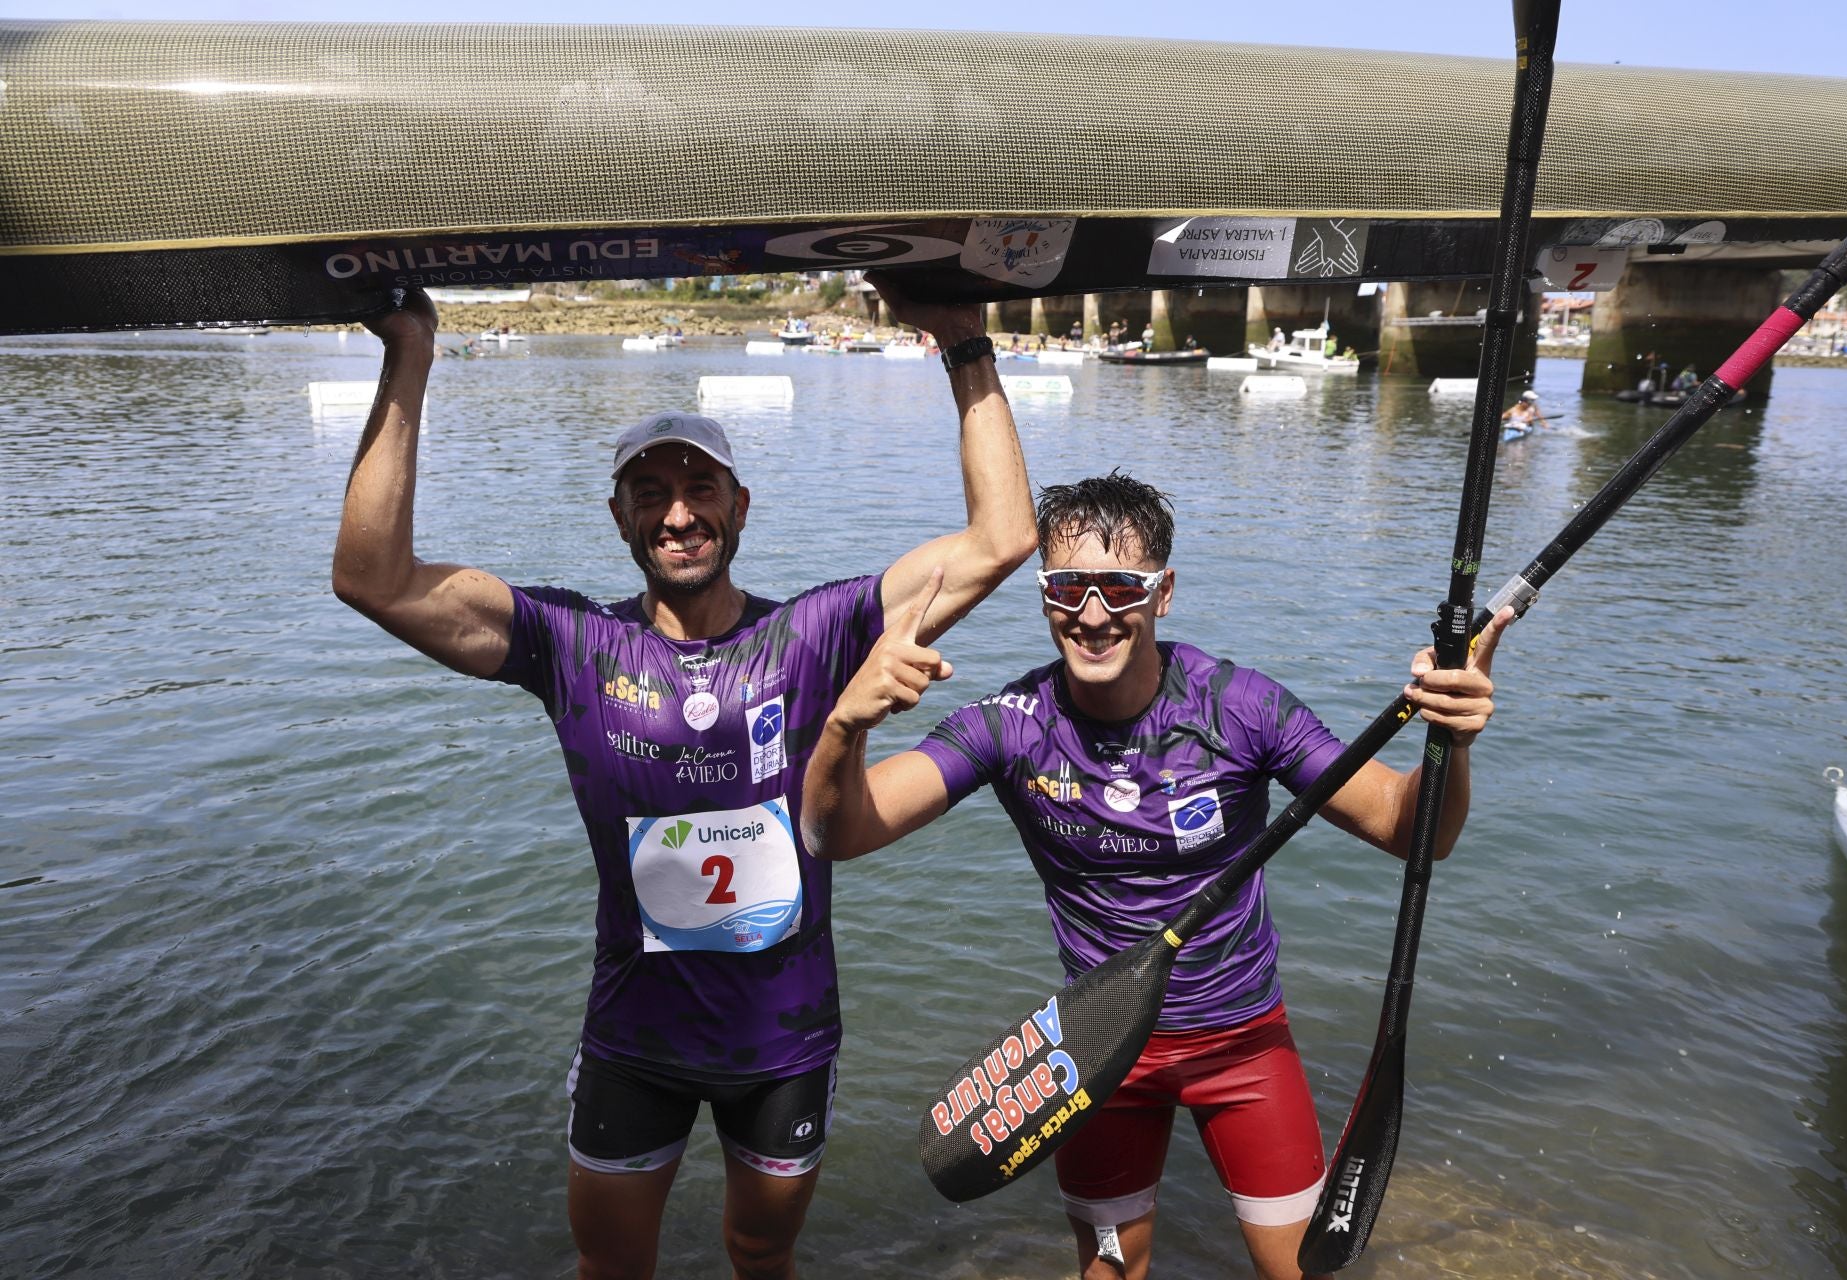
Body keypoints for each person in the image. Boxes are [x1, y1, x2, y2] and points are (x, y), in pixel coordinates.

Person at [332, 279, 1037, 1280]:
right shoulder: (572, 643)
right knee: (612, 1266)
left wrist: (963, 338)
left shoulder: (817, 632)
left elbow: (1002, 537)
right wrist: (410, 349)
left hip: (784, 1043)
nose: (677, 513)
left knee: (761, 1252)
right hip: (635, 1038)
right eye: (650, 492)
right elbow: (371, 577)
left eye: (700, 487)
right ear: (618, 516)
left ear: (738, 506)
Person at [801, 473, 1511, 1280]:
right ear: (1043, 596)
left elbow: (1411, 831)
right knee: (1109, 1273)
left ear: (1163, 592)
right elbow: (838, 833)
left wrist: (1449, 741)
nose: (1091, 614)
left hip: (1242, 1044)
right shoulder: (1010, 726)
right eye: (1067, 587)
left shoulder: (1240, 708)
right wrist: (845, 723)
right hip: (1097, 1052)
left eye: (1119, 587)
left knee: (1300, 1272)